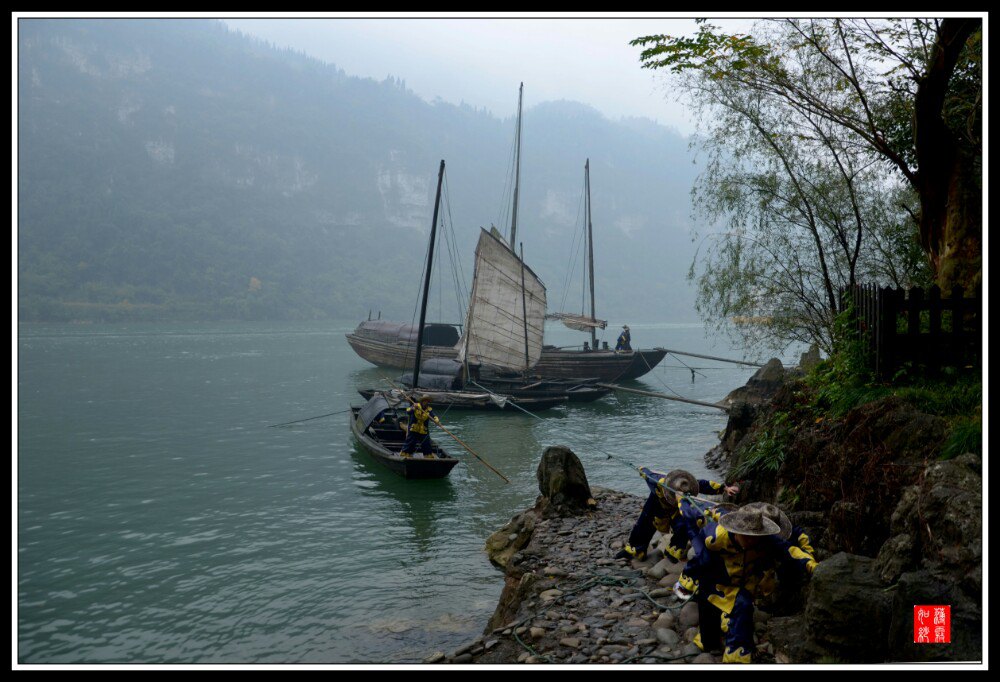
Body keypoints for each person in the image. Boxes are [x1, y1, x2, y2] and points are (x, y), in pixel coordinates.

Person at [682, 506, 817, 663]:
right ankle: (709, 641)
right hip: (714, 581)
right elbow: (698, 557)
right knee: (709, 630)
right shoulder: (715, 537)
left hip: (743, 583)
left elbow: (790, 551)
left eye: (755, 536)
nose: (751, 540)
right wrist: (687, 579)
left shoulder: (766, 540)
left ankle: (736, 657)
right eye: (746, 537)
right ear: (736, 532)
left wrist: (811, 565)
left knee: (743, 607)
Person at [616, 468, 739, 562]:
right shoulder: (658, 482)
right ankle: (636, 549)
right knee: (644, 523)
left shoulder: (689, 485)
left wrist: (724, 488)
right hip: (656, 504)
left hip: (676, 508)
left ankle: (673, 552)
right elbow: (648, 474)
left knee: (683, 525)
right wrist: (642, 470)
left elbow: (703, 484)